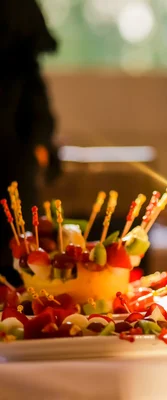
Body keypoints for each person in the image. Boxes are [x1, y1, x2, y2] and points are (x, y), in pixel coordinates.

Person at [0, 0, 60, 285]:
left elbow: (31, 86)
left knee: (16, 251)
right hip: (16, 144)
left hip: (14, 149)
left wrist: (40, 141)